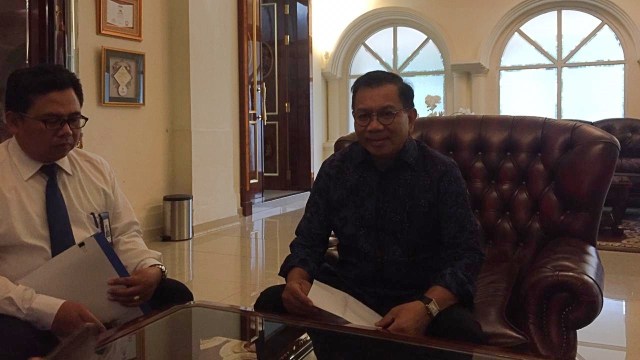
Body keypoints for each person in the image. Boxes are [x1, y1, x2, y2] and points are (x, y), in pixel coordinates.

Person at [254, 70, 485, 358]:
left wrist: (426, 308)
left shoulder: (440, 172)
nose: (374, 126)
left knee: (462, 332)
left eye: (387, 114)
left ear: (410, 119)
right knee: (272, 301)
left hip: (421, 293)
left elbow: (467, 254)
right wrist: (296, 280)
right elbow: (309, 240)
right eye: (363, 116)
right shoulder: (336, 169)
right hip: (353, 290)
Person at [0, 64, 193, 359]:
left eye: (74, 120)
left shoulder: (95, 169)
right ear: (13, 121)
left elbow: (125, 233)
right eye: (52, 121)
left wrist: (150, 268)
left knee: (175, 297)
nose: (67, 132)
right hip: (24, 307)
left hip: (100, 294)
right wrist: (49, 311)